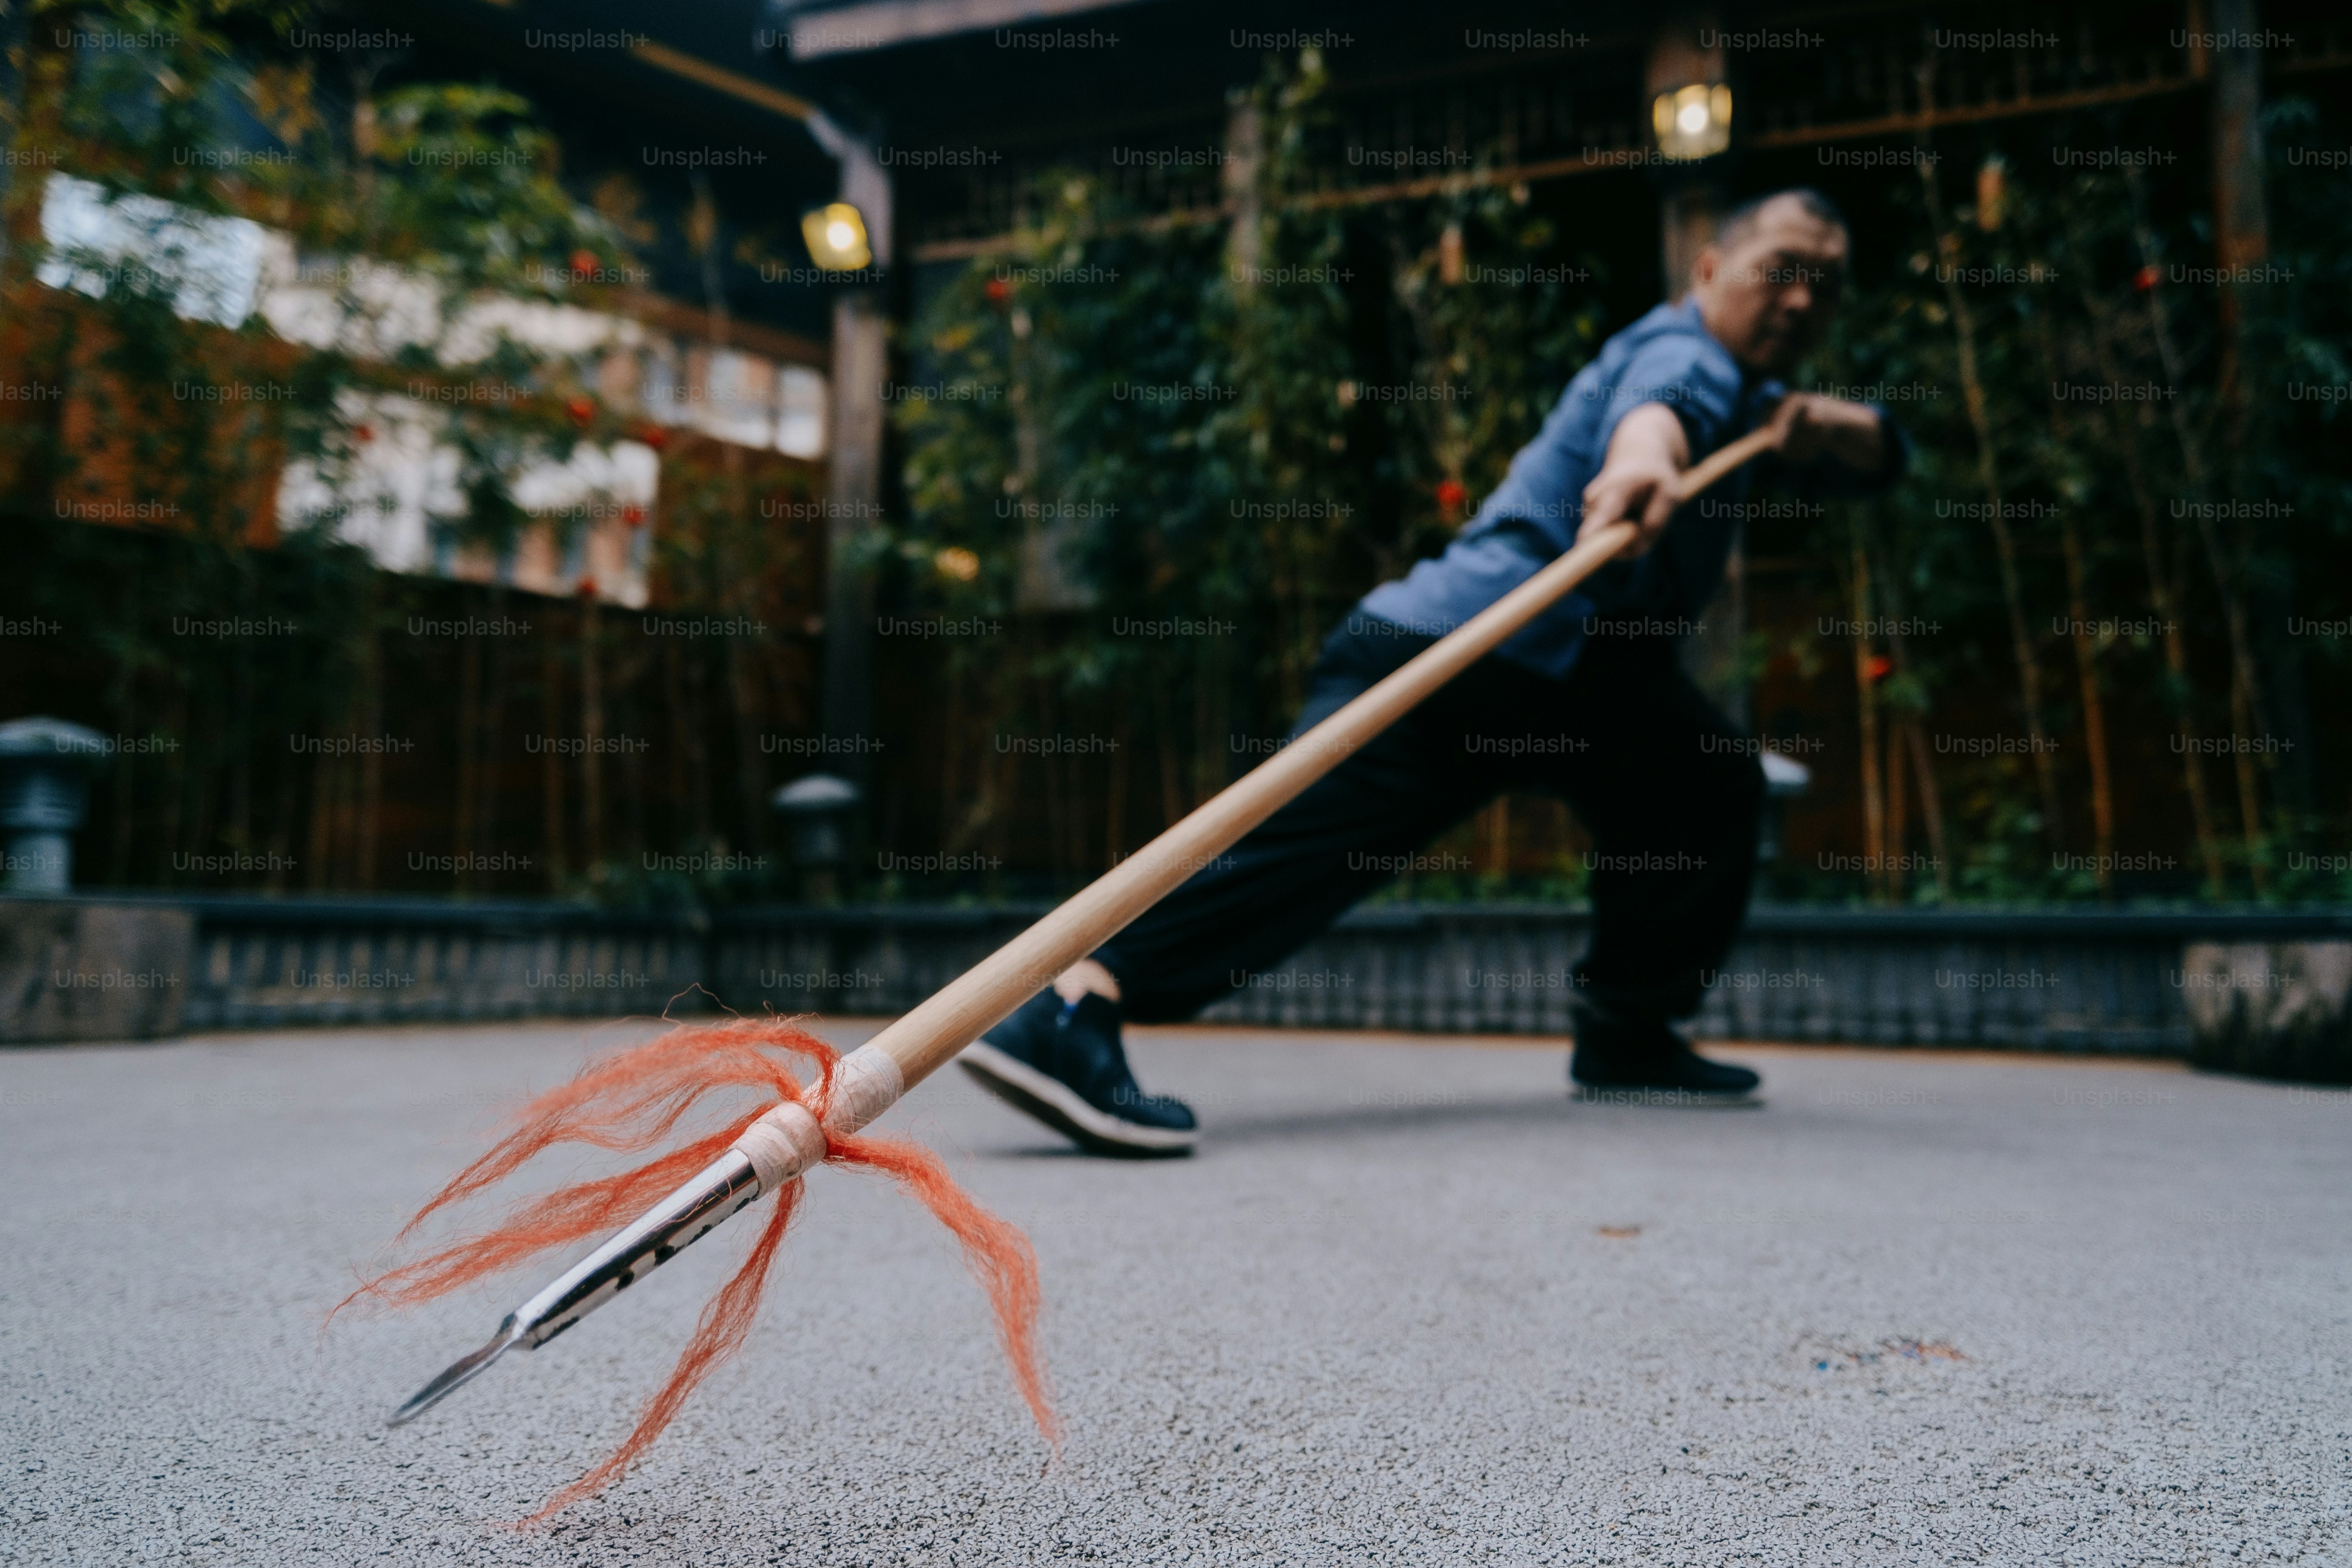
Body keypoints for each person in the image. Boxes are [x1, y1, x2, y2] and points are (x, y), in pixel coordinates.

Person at [960, 189, 1906, 1155]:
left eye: (1823, 287)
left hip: (1584, 676)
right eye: (1779, 272)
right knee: (1296, 846)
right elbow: (1660, 410)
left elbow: (1883, 455)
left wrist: (1826, 422)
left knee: (1701, 785)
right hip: (1462, 648)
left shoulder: (1763, 402)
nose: (1799, 303)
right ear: (1709, 273)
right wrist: (1641, 462)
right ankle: (1073, 1005)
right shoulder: (1682, 354)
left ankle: (1630, 1033)